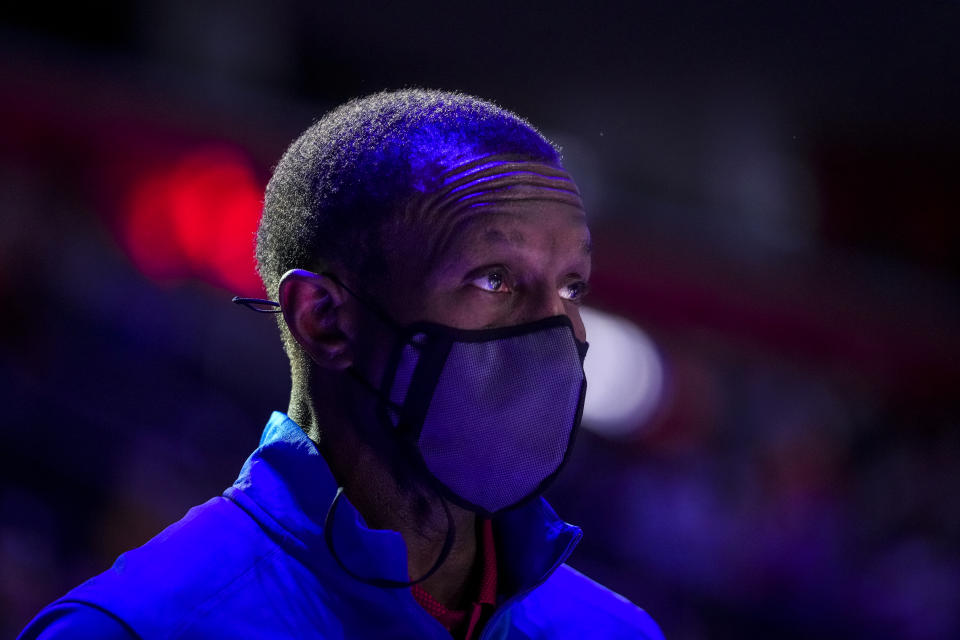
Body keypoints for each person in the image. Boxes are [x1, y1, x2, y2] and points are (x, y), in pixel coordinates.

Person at [19, 89, 663, 639]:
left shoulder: (614, 630)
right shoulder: (139, 627)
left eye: (573, 287)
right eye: (494, 278)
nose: (559, 331)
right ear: (324, 318)